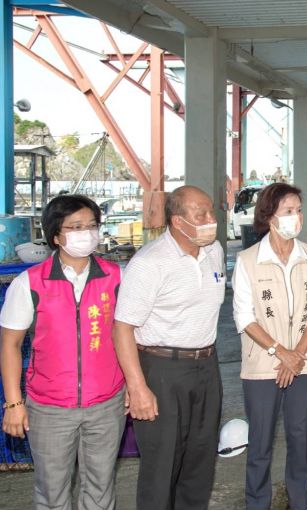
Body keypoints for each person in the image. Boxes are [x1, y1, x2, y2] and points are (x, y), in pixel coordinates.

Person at [0, 194, 125, 509]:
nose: (87, 233)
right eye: (76, 226)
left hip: (106, 404)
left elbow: (130, 335)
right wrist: (14, 403)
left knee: (100, 488)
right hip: (49, 408)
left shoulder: (117, 277)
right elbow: (10, 345)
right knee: (52, 492)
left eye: (92, 225)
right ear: (56, 235)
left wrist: (133, 385)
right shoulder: (29, 283)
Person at [113, 185, 225, 510]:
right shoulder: (149, 262)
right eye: (200, 214)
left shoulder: (214, 251)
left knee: (200, 460)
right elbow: (123, 328)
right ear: (177, 221)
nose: (209, 219)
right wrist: (137, 387)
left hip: (207, 365)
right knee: (162, 464)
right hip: (161, 370)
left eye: (210, 212)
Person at [232, 183, 307, 510]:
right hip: (262, 365)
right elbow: (244, 317)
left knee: (300, 438)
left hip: (305, 362)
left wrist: (296, 354)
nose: (296, 217)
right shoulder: (247, 261)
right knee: (260, 444)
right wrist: (279, 352)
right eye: (288, 211)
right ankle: (257, 504)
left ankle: (300, 501)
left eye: (299, 210)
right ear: (269, 216)